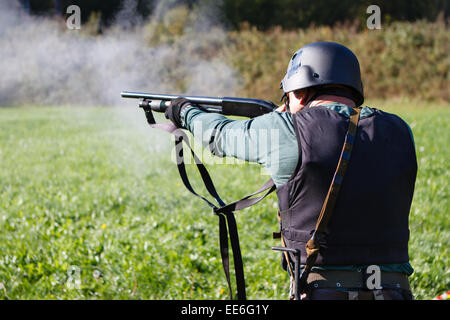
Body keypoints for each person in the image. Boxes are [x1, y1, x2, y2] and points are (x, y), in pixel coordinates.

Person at [164, 41, 417, 300]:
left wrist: (184, 111)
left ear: (301, 92)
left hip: (324, 293)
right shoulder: (400, 130)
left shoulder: (287, 130)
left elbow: (219, 136)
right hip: (395, 292)